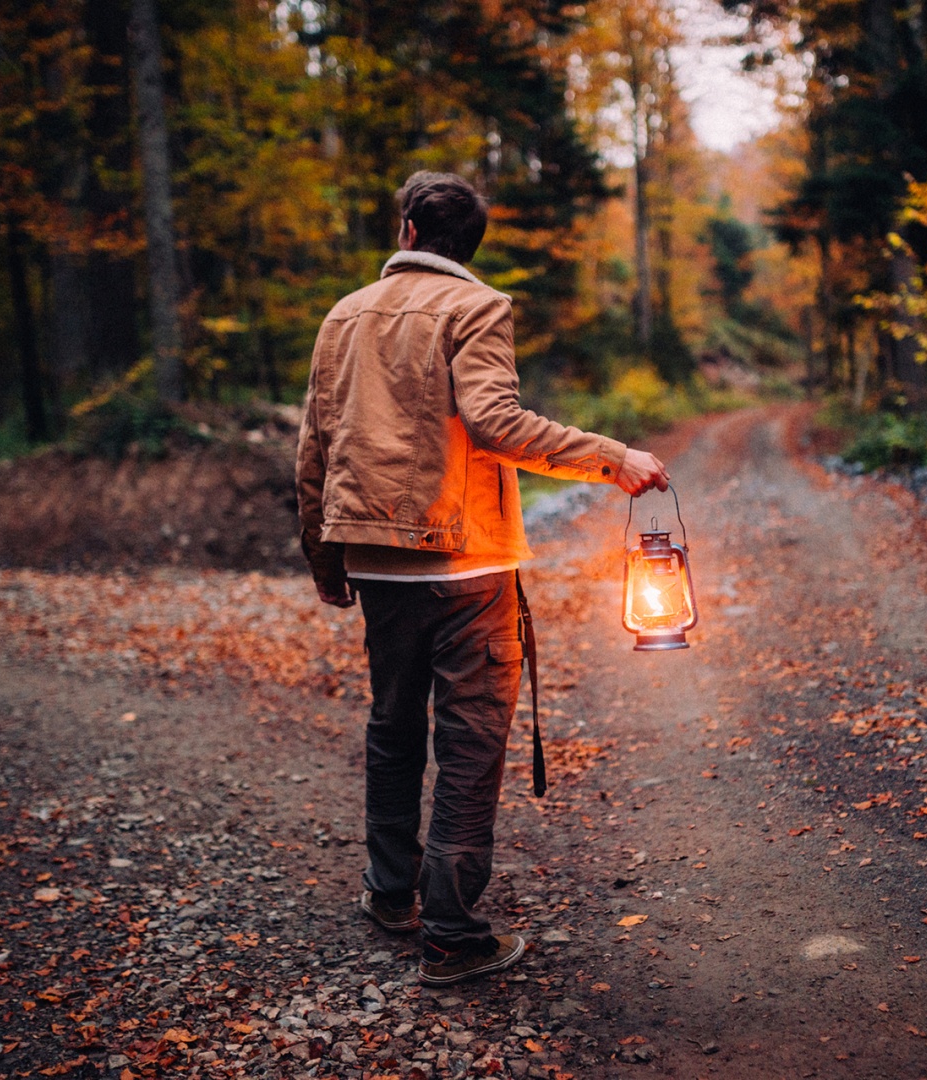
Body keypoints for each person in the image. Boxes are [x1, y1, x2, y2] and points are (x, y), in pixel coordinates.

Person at [295, 170, 670, 986]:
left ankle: (392, 895)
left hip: (375, 559)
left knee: (393, 726)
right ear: (469, 245)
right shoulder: (478, 306)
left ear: (406, 232)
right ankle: (452, 934)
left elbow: (317, 444)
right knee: (468, 741)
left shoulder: (344, 315)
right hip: (467, 562)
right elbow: (497, 423)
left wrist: (326, 557)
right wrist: (615, 459)